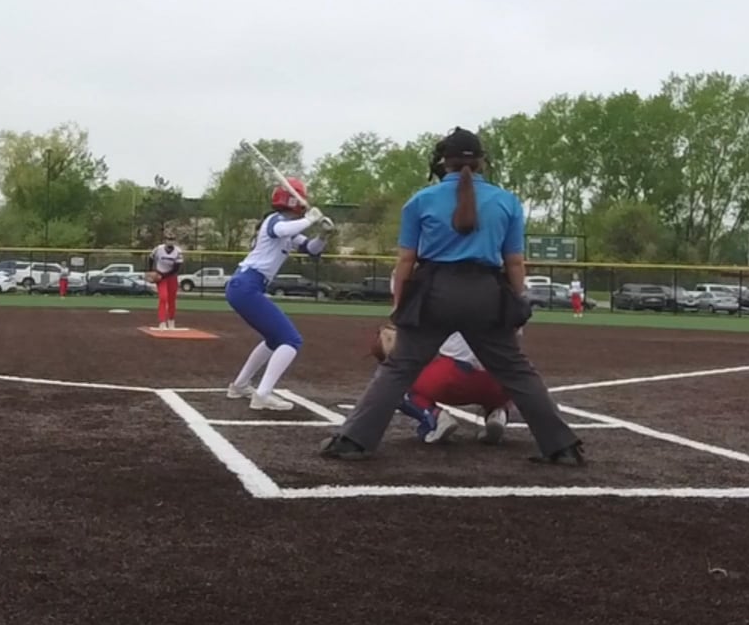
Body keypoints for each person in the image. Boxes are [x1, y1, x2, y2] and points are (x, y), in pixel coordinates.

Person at [320, 127, 585, 465]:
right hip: (487, 294)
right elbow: (514, 263)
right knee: (517, 371)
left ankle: (352, 441)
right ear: (482, 163)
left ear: (442, 163)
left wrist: (400, 306)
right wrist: (517, 303)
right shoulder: (507, 202)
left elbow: (406, 261)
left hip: (435, 292)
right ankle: (562, 447)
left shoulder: (420, 201)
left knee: (399, 367)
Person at [223, 177, 333, 411]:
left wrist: (323, 235)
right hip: (246, 285)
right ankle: (262, 395)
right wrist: (310, 219)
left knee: (274, 339)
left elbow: (311, 250)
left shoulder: (289, 228)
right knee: (291, 340)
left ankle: (240, 385)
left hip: (246, 286)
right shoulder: (275, 220)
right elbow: (281, 229)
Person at [375, 324, 516, 445]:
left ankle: (436, 418)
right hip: (499, 382)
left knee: (397, 383)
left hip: (454, 378)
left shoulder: (446, 304)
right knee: (512, 374)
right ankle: (498, 413)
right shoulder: (505, 305)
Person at [149, 237, 184, 330]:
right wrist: (152, 270)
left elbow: (176, 268)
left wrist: (164, 275)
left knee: (172, 299)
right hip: (160, 276)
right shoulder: (158, 249)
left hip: (171, 276)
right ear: (165, 241)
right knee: (163, 297)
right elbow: (150, 258)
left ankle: (171, 321)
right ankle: (162, 322)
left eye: (172, 239)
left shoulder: (178, 251)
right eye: (169, 239)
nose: (170, 241)